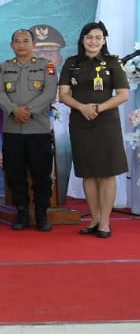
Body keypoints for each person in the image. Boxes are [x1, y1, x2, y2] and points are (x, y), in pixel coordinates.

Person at [57, 21, 129, 238]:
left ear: (104, 40)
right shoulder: (71, 63)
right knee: (88, 173)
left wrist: (98, 108)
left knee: (107, 173)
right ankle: (95, 219)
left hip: (106, 123)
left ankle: (105, 222)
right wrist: (82, 107)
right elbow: (64, 94)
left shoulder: (112, 62)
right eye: (89, 37)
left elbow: (123, 94)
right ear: (82, 40)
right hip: (81, 123)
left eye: (98, 37)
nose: (94, 41)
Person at [0, 29, 58, 231]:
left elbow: (49, 92)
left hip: (38, 129)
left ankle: (41, 214)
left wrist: (29, 111)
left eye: (25, 41)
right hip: (13, 130)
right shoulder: (4, 67)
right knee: (15, 174)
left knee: (42, 175)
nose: (21, 45)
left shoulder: (46, 67)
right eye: (17, 41)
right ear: (12, 45)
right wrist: (14, 110)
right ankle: (21, 213)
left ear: (33, 44)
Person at [29, 23, 71, 204]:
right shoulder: (22, 77)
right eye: (38, 53)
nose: (44, 57)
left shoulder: (70, 80)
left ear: (59, 58)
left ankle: (61, 197)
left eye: (50, 53)